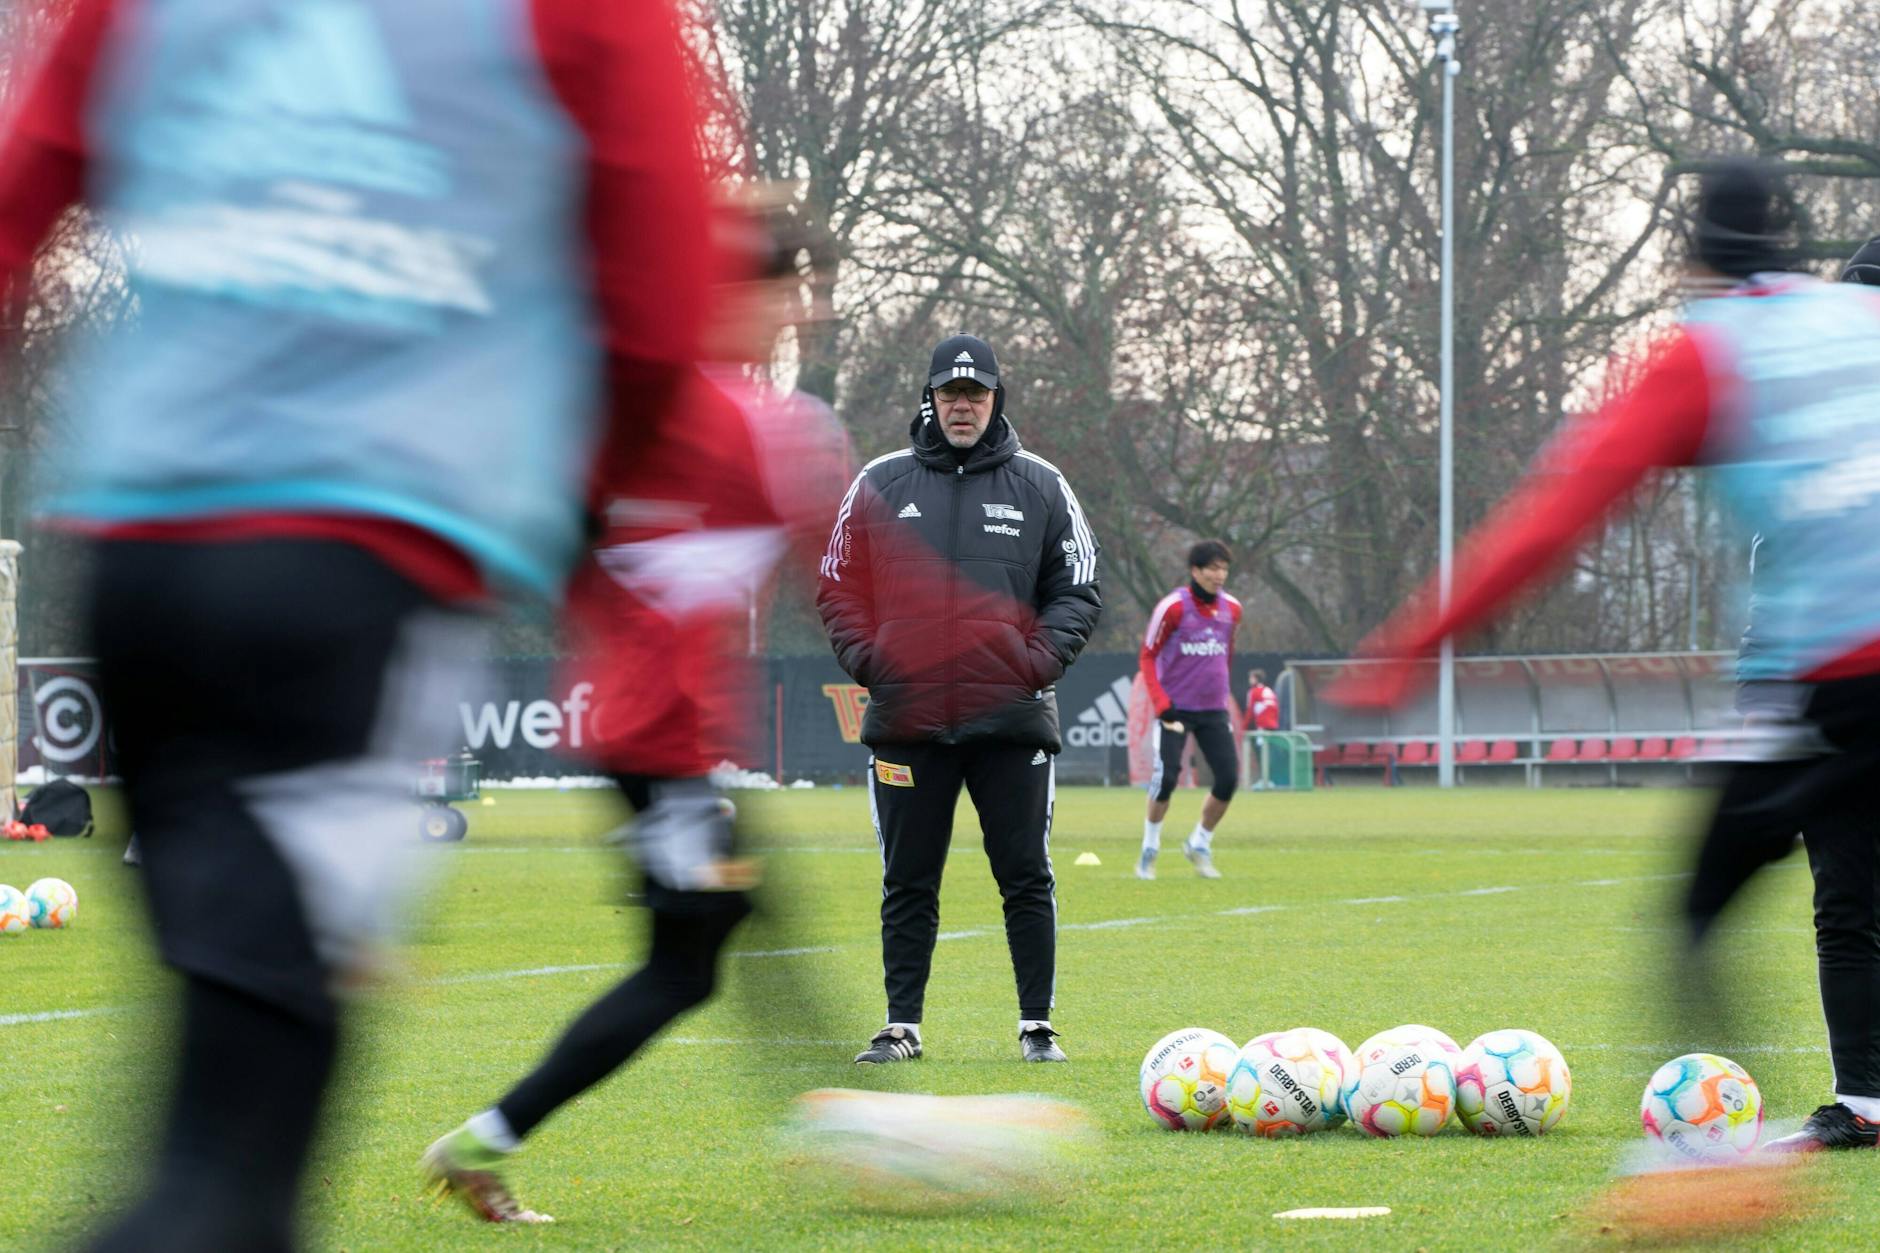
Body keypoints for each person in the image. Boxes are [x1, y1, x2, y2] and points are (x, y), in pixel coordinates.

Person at [0, 1, 712, 1246]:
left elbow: (21, 204)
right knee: (231, 1156)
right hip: (352, 583)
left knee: (229, 1067)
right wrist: (570, 509)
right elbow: (657, 318)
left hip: (135, 574)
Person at [1329, 161, 1880, 1153]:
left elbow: (1550, 518)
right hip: (1834, 678)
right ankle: (1861, 1104)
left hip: (1838, 679)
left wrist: (1406, 647)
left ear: (1692, 252)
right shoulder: (1857, 320)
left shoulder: (1707, 350)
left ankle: (1711, 1166)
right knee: (1850, 882)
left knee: (1697, 908)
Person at [420, 196, 850, 1223]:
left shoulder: (642, 409)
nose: (798, 316)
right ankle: (480, 1139)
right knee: (690, 958)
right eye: (792, 295)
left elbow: (555, 537)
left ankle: (845, 1125)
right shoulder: (738, 422)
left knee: (722, 933)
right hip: (658, 745)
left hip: (648, 735)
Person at [818, 333, 1101, 1065]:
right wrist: (873, 660)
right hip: (907, 721)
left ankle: (1037, 1025)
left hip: (1009, 719)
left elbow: (1077, 587)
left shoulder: (1042, 483)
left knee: (1025, 875)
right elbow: (838, 584)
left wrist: (1035, 661)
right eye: (951, 395)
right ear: (931, 399)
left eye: (976, 396)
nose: (963, 407)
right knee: (908, 878)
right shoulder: (879, 482)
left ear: (995, 400)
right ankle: (901, 1025)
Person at [1135, 540, 1243, 879]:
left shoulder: (1233, 609)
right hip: (1175, 709)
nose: (1219, 575)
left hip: (1213, 709)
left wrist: (1222, 690)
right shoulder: (1173, 608)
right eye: (1212, 568)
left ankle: (1199, 842)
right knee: (1166, 779)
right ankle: (1149, 847)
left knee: (1228, 778)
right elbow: (1148, 655)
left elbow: (1226, 653)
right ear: (1195, 571)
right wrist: (1162, 703)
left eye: (1224, 568)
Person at [1244, 668, 1280, 789]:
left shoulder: (1254, 692)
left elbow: (1250, 711)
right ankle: (1270, 780)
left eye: (1251, 677)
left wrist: (1243, 728)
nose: (1249, 680)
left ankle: (1264, 781)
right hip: (1273, 726)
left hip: (1263, 727)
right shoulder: (1269, 690)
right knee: (1270, 753)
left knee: (1262, 753)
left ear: (1255, 679)